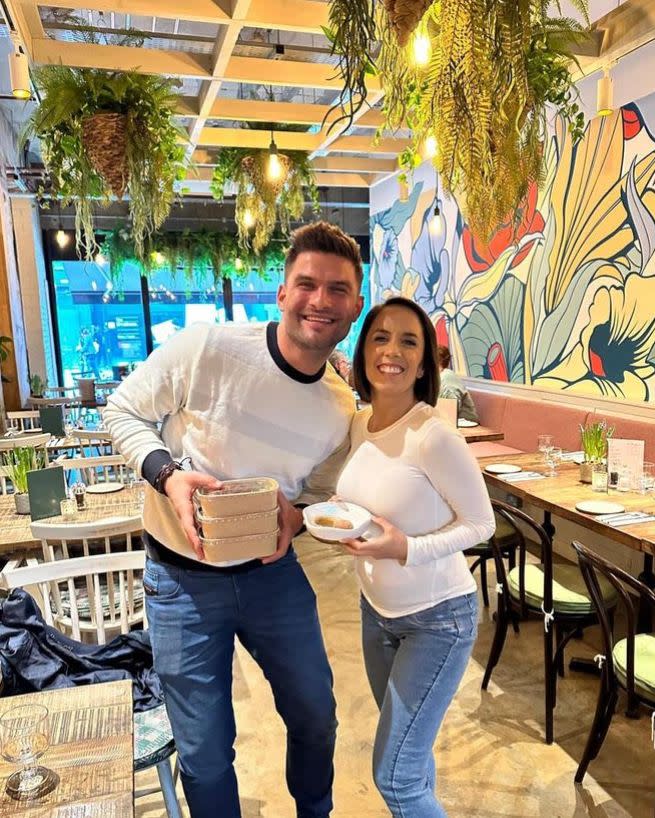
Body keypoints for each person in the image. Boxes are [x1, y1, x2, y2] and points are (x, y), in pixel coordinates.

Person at [103, 221, 365, 818]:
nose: (320, 301)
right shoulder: (207, 349)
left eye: (338, 289)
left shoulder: (340, 406)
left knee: (315, 713)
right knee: (205, 751)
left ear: (354, 305)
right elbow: (122, 410)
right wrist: (167, 474)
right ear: (281, 292)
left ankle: (314, 810)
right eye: (307, 283)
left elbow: (321, 489)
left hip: (272, 577)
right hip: (180, 581)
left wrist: (297, 516)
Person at [335, 297, 494, 817]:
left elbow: (481, 524)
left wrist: (407, 548)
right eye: (380, 337)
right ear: (363, 352)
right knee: (411, 755)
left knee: (396, 777)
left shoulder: (433, 436)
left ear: (425, 364)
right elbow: (371, 497)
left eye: (409, 341)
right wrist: (339, 514)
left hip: (438, 622)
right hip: (374, 612)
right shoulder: (361, 425)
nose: (392, 351)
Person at [437, 344, 479, 423]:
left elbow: (451, 411)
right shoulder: (436, 378)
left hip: (466, 426)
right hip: (451, 425)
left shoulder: (447, 377)